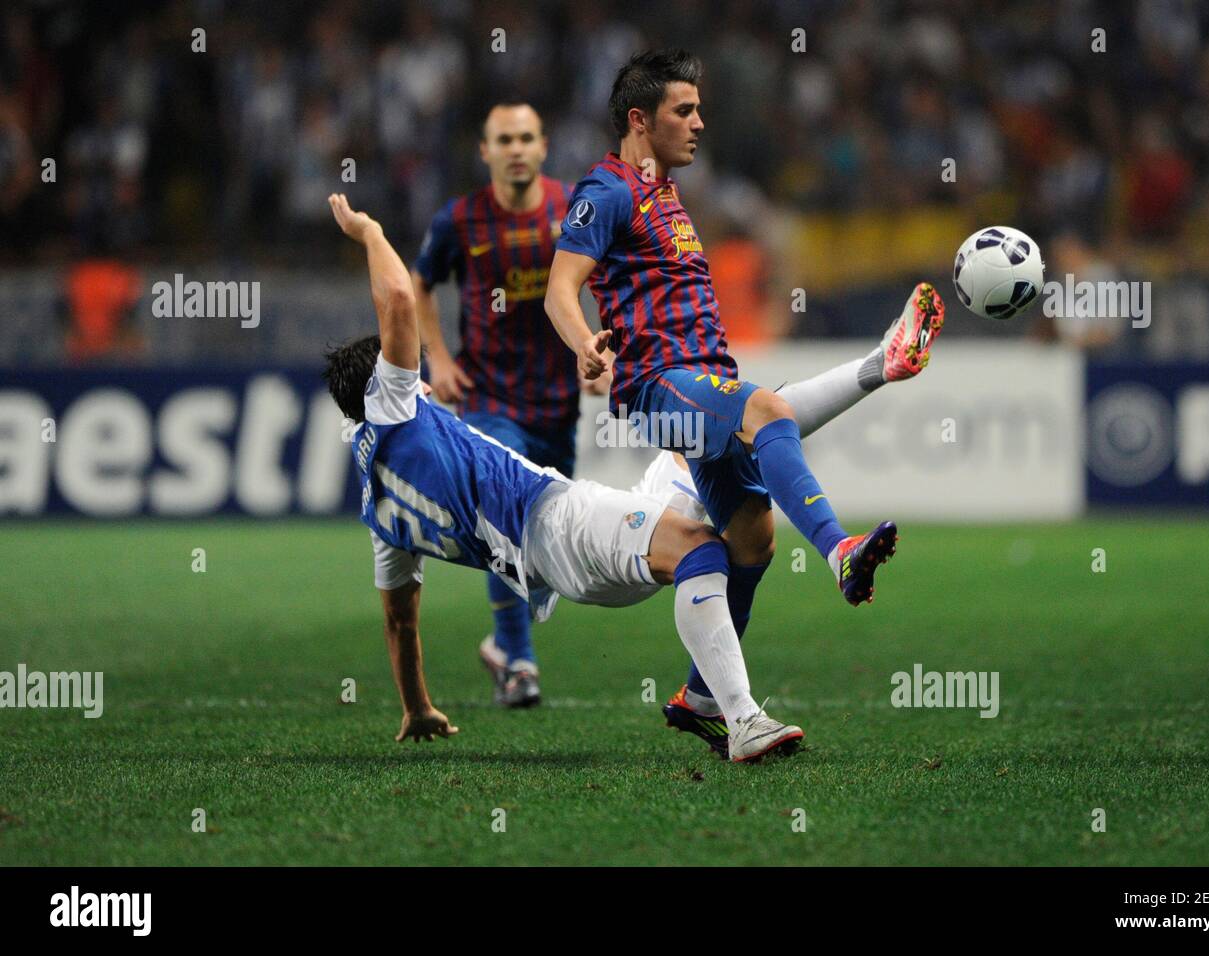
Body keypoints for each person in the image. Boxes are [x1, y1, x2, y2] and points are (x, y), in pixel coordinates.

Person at [545, 50, 944, 749]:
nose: (700, 122)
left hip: (701, 380)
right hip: (659, 386)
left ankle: (709, 703)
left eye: (699, 108)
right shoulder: (606, 190)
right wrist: (585, 344)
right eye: (684, 110)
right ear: (640, 119)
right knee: (769, 412)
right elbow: (559, 288)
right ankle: (840, 550)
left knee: (751, 542)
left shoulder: (667, 194)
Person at [323, 192, 804, 762]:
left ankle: (874, 368)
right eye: (407, 371)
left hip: (556, 563)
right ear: (381, 386)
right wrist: (372, 232)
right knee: (701, 551)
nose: (420, 378)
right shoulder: (395, 406)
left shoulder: (379, 514)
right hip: (555, 521)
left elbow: (400, 623)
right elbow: (400, 296)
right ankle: (739, 719)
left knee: (708, 445)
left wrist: (417, 706)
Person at [411, 102, 581, 709]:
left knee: (545, 546)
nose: (515, 148)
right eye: (503, 139)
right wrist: (439, 357)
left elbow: (607, 276)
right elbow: (419, 282)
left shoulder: (573, 208)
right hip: (487, 397)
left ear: (543, 146)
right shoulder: (459, 220)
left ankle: (503, 642)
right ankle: (520, 661)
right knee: (505, 516)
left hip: (558, 401)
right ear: (485, 151)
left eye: (526, 137)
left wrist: (592, 351)